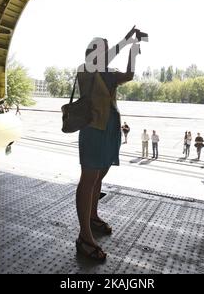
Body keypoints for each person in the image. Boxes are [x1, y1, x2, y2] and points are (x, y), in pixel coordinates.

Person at [76, 27, 142, 262]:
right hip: (93, 131)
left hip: (109, 130)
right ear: (93, 52)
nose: (105, 51)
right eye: (101, 48)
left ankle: (92, 216)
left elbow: (130, 75)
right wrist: (125, 41)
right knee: (88, 180)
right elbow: (100, 60)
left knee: (98, 178)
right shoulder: (86, 70)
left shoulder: (108, 74)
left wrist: (133, 50)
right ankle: (84, 236)